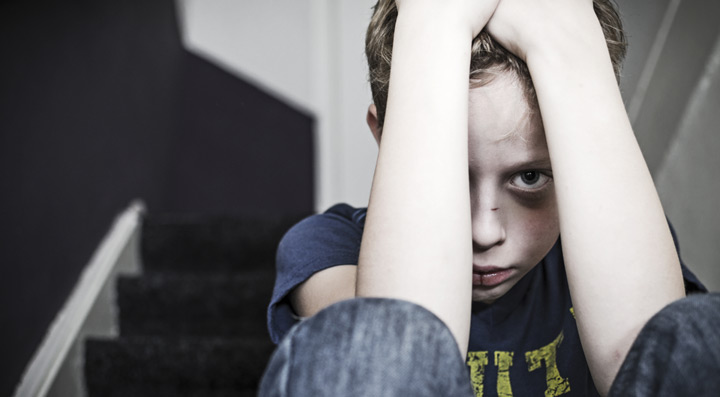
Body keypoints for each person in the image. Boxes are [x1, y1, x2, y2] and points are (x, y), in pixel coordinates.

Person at [261, 0, 710, 395]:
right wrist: (432, 23)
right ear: (386, 136)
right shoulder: (326, 249)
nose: (484, 231)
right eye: (452, 175)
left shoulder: (615, 248)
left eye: (530, 177)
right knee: (373, 340)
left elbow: (650, 370)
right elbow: (390, 358)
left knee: (695, 332)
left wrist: (568, 52)